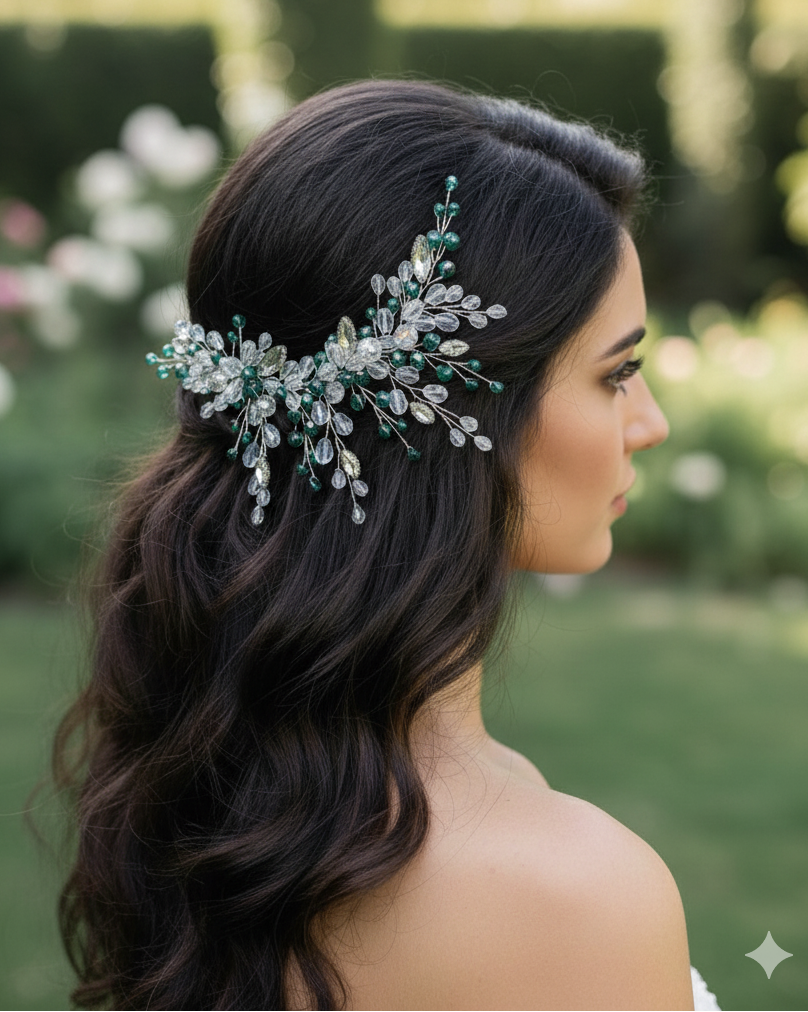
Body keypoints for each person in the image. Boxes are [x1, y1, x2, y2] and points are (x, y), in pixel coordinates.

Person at [54, 80, 721, 1010]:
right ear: (465, 416)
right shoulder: (580, 899)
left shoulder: (211, 787)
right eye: (618, 373)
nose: (647, 423)